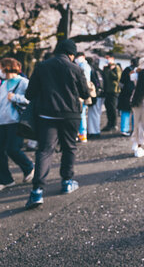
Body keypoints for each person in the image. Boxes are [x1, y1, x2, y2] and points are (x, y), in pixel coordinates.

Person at [24, 39, 90, 209]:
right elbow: (84, 92)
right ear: (72, 54)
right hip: (71, 115)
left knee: (45, 151)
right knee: (69, 147)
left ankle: (37, 191)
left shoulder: (42, 66)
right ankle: (67, 182)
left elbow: (30, 94)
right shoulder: (76, 68)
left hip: (47, 115)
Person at [0, 58, 34, 191]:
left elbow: (32, 99)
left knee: (12, 149)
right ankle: (6, 179)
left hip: (15, 121)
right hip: (2, 122)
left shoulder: (23, 82)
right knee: (0, 151)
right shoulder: (4, 84)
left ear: (6, 67)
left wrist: (15, 97)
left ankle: (29, 167)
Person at [102, 54, 122, 132]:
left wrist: (111, 70)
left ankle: (114, 124)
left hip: (114, 90)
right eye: (106, 58)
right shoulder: (106, 68)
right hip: (107, 90)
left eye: (108, 58)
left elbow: (117, 78)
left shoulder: (116, 67)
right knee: (108, 107)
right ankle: (109, 123)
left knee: (113, 108)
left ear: (112, 58)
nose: (107, 59)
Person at [118, 58, 138, 136]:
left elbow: (121, 83)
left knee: (125, 112)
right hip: (136, 93)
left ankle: (124, 129)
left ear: (131, 62)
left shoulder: (127, 70)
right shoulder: (140, 70)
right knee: (135, 112)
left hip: (125, 94)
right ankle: (134, 129)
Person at [75, 53, 92, 142]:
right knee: (82, 113)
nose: (77, 59)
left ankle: (82, 134)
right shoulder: (85, 66)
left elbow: (83, 81)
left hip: (81, 93)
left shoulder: (83, 66)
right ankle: (82, 134)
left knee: (81, 114)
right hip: (84, 92)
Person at [87, 58, 105, 140]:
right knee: (97, 114)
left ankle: (93, 132)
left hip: (95, 95)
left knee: (92, 114)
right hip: (102, 94)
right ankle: (96, 131)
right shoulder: (100, 71)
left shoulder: (91, 70)